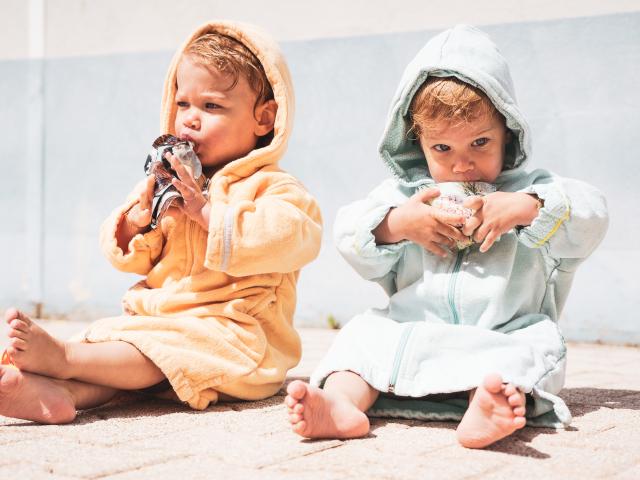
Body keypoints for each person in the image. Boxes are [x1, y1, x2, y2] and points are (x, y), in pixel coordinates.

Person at [285, 24, 608, 448]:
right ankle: (341, 404)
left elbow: (593, 214)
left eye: (480, 142)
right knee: (361, 337)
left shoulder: (530, 188)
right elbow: (348, 233)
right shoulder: (406, 197)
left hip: (503, 332)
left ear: (507, 131)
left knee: (527, 353)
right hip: (411, 332)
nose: (462, 166)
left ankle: (487, 405)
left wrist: (528, 207)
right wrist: (396, 224)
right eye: (443, 149)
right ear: (417, 143)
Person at [1, 21, 322, 424]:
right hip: (164, 319)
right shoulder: (168, 183)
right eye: (182, 103)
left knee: (157, 349)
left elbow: (294, 238)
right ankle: (60, 395)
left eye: (212, 106)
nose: (189, 119)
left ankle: (64, 359)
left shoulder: (274, 188)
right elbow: (130, 259)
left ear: (264, 118)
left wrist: (207, 213)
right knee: (117, 339)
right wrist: (138, 223)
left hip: (236, 337)